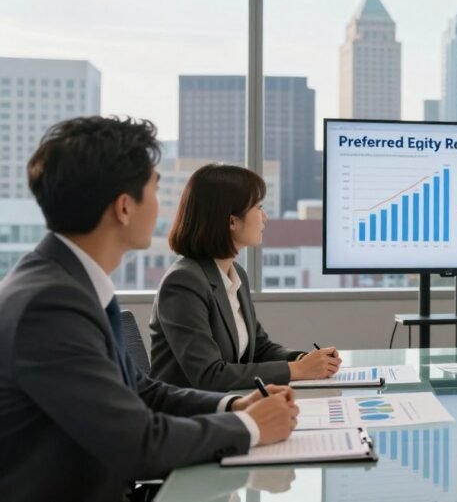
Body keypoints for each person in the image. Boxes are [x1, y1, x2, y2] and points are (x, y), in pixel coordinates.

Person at [0, 116, 298, 502]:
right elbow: (138, 444)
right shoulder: (49, 305)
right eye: (155, 189)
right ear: (124, 207)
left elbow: (141, 390)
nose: (163, 206)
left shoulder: (71, 283)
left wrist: (234, 404)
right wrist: (250, 427)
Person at [150, 164, 341, 391]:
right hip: (190, 409)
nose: (265, 217)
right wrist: (297, 370)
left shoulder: (234, 273)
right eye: (258, 207)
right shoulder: (183, 282)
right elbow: (210, 375)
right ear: (232, 221)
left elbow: (260, 348)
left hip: (227, 402)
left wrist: (303, 360)